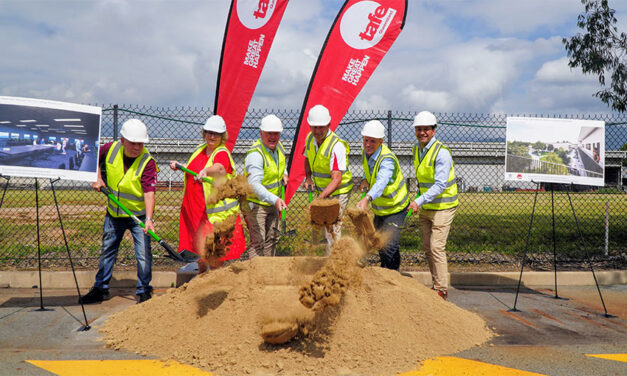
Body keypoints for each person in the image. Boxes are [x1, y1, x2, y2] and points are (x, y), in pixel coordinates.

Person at [80, 119, 158, 304]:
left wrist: (148, 219)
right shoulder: (110, 148)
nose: (137, 147)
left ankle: (144, 290)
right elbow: (93, 158)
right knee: (107, 250)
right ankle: (100, 289)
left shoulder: (147, 162)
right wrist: (98, 178)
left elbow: (149, 192)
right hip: (114, 214)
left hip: (137, 216)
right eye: (133, 143)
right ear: (122, 140)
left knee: (143, 254)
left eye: (140, 143)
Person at [169, 115, 246, 273]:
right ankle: (202, 278)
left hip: (210, 213)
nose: (212, 136)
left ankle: (216, 282)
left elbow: (219, 168)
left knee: (212, 251)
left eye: (216, 134)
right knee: (199, 249)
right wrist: (181, 166)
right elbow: (194, 168)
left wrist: (206, 171)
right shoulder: (200, 150)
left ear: (222, 136)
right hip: (195, 210)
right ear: (204, 133)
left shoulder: (221, 153)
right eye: (209, 132)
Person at [408, 111, 458, 300]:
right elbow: (423, 180)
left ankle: (441, 289)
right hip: (427, 206)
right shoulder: (416, 149)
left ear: (434, 130)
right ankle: (435, 284)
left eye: (426, 129)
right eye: (419, 129)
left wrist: (418, 201)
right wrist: (416, 198)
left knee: (437, 247)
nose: (422, 132)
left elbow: (440, 184)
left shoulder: (441, 152)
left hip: (443, 207)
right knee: (428, 248)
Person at [356, 120, 410, 271]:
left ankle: (390, 276)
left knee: (389, 245)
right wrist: (366, 181)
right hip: (381, 209)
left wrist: (367, 198)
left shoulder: (387, 160)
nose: (368, 144)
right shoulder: (366, 154)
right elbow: (372, 175)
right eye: (366, 140)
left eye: (372, 141)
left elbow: (381, 182)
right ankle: (391, 273)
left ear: (381, 141)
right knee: (382, 244)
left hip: (396, 208)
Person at [302, 104, 353, 254]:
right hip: (323, 191)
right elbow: (307, 158)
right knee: (325, 226)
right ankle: (332, 258)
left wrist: (318, 199)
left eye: (321, 127)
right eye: (314, 127)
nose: (317, 131)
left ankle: (334, 265)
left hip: (339, 191)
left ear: (329, 125)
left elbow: (337, 180)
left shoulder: (336, 146)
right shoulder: (310, 139)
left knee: (333, 226)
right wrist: (308, 177)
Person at [243, 114, 288, 258]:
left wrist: (284, 173)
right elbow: (254, 185)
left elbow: (280, 163)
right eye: (269, 133)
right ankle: (256, 276)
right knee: (259, 241)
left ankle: (269, 271)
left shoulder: (279, 147)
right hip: (256, 204)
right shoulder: (256, 154)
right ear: (261, 133)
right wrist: (274, 199)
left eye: (276, 133)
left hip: (272, 201)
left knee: (273, 238)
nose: (273, 137)